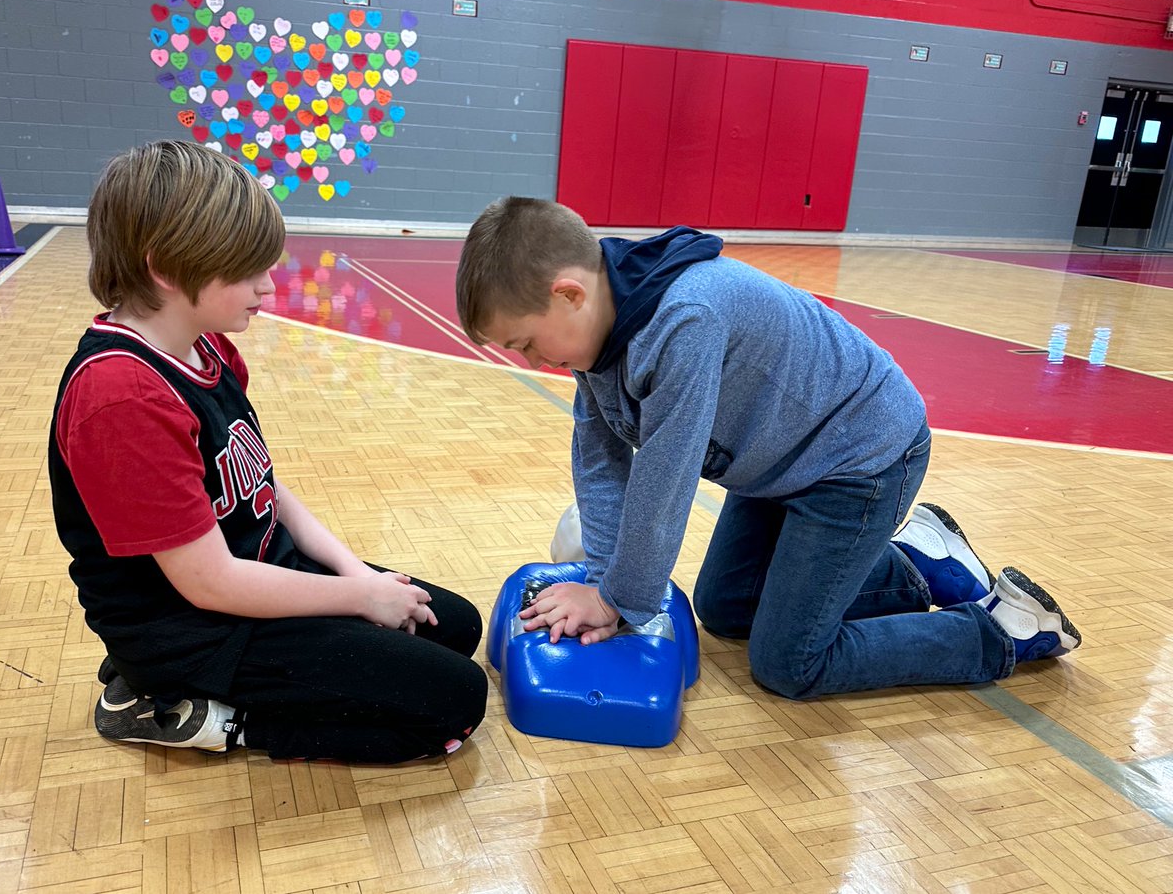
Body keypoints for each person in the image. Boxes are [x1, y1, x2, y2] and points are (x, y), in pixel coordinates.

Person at [454, 196, 1081, 699]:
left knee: (790, 662)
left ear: (569, 293)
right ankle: (914, 559)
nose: (534, 361)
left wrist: (618, 599)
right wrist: (603, 582)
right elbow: (599, 459)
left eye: (526, 343)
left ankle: (1000, 629)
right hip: (781, 464)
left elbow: (665, 482)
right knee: (724, 608)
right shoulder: (595, 330)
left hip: (859, 462)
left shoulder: (683, 321)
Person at [50, 141, 487, 761]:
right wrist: (360, 599)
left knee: (455, 626)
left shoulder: (209, 348)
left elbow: (265, 489)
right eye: (249, 270)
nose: (268, 285)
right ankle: (190, 711)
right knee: (453, 703)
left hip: (254, 575)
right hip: (194, 628)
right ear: (168, 270)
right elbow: (209, 583)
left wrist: (358, 575)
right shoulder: (122, 394)